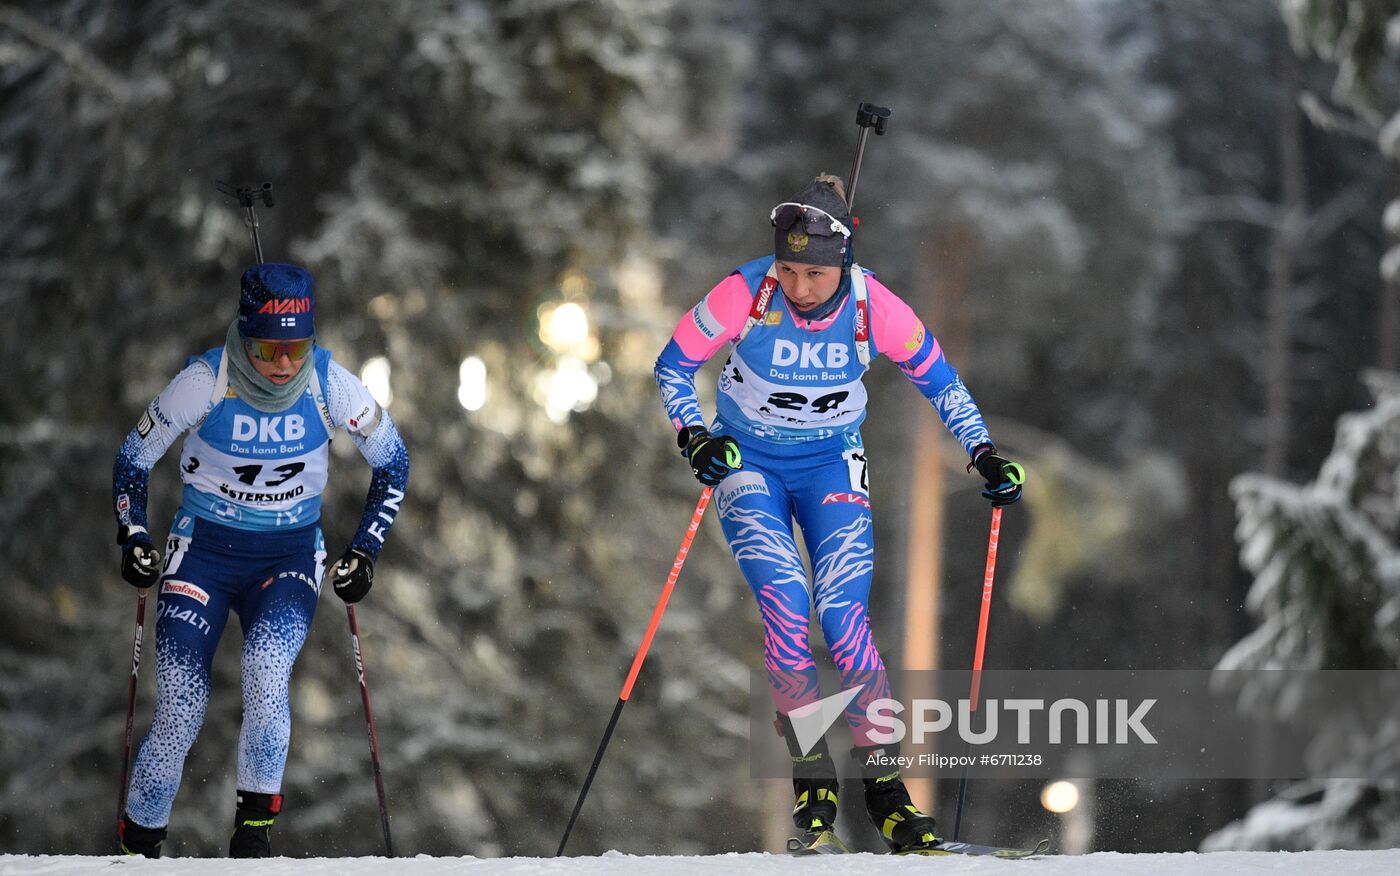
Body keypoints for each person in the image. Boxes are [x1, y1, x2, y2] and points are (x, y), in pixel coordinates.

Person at [653, 175, 1023, 853]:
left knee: (843, 618)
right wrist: (694, 436)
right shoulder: (745, 292)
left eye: (815, 273)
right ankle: (811, 772)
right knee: (787, 604)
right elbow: (673, 366)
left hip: (831, 464)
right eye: (789, 269)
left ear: (843, 263)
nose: (799, 287)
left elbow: (940, 381)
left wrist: (983, 454)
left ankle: (885, 791)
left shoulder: (873, 305)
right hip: (749, 465)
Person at [111, 263, 410, 858]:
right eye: (268, 348)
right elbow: (132, 460)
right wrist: (135, 535)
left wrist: (365, 551)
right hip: (202, 556)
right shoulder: (205, 379)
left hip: (288, 555)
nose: (282, 364)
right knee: (181, 702)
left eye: (296, 347)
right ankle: (137, 850)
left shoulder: (331, 384)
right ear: (244, 335)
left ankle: (253, 840)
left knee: (267, 671)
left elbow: (394, 461)